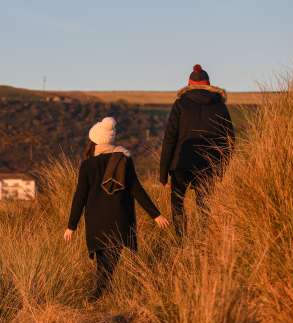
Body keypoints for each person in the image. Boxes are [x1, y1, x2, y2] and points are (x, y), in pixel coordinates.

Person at [64, 117, 169, 299]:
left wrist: (71, 226)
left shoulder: (88, 165)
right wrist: (156, 215)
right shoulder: (123, 160)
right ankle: (99, 295)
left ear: (94, 140)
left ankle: (98, 295)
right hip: (120, 218)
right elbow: (137, 189)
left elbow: (79, 197)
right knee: (110, 261)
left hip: (96, 221)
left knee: (104, 262)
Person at [159, 64, 235, 237]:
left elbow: (169, 139)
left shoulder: (180, 105)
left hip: (181, 163)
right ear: (209, 83)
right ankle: (204, 241)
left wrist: (163, 174)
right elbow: (230, 141)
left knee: (177, 204)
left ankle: (181, 241)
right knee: (205, 205)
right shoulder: (220, 106)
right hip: (209, 164)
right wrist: (221, 169)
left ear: (189, 84)